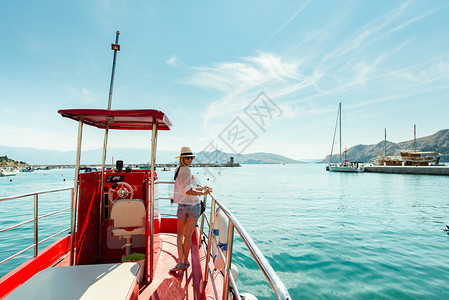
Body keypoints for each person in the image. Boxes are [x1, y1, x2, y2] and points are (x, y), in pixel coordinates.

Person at [170, 147, 212, 272]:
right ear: (182, 158)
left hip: (182, 205)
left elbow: (187, 187)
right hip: (193, 206)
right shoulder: (187, 170)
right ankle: (184, 262)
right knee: (187, 236)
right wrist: (204, 192)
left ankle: (180, 261)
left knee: (180, 235)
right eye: (187, 158)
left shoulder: (178, 169)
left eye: (190, 158)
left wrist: (199, 188)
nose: (189, 160)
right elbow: (188, 191)